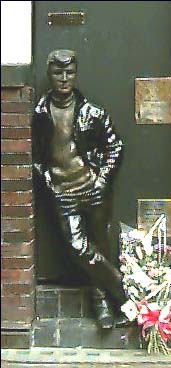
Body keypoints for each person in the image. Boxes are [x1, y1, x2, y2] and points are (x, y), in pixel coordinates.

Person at [32, 49, 128, 329]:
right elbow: (36, 155)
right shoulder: (40, 114)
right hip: (63, 192)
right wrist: (47, 177)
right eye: (58, 73)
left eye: (69, 72)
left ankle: (102, 307)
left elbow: (115, 147)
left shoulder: (92, 112)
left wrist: (102, 179)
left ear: (76, 74)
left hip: (92, 189)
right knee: (80, 247)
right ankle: (124, 294)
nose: (64, 78)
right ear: (49, 75)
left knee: (99, 249)